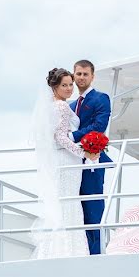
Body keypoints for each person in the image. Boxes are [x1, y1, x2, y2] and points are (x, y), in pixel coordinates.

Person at [30, 68, 99, 259]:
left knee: (63, 202)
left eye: (70, 84)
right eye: (64, 85)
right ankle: (70, 251)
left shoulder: (52, 107)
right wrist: (83, 152)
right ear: (54, 87)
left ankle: (56, 250)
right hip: (67, 158)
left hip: (62, 159)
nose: (69, 88)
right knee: (69, 202)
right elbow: (60, 137)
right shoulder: (60, 106)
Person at [70, 60, 112, 255]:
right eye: (78, 74)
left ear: (92, 76)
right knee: (75, 208)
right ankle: (81, 250)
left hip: (92, 159)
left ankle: (96, 252)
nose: (81, 78)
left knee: (93, 207)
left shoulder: (101, 98)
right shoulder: (70, 105)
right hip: (71, 161)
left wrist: (73, 136)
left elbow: (98, 126)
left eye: (85, 74)